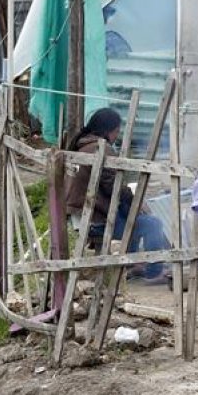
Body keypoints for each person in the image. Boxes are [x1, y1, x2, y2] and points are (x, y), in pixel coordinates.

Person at [65, 108, 170, 283]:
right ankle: (154, 272)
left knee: (131, 214)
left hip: (81, 217)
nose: (116, 136)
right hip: (95, 220)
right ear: (109, 130)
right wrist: (136, 200)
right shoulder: (100, 148)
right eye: (116, 131)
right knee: (153, 224)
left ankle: (133, 264)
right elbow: (112, 186)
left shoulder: (81, 146)